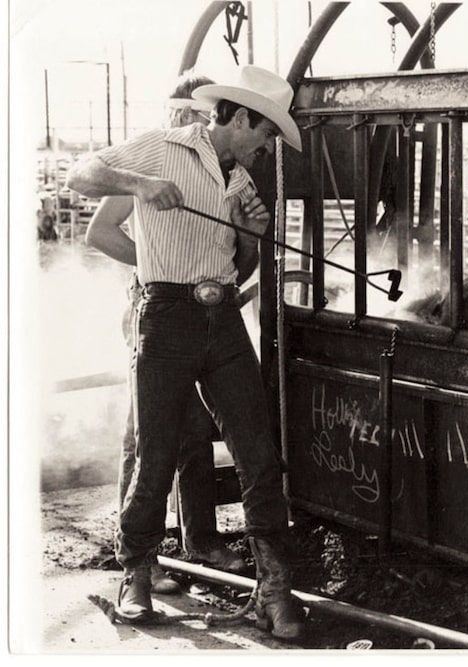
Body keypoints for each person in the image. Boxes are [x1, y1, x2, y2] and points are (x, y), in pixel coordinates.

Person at [67, 65, 305, 639]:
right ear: (243, 117)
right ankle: (136, 575)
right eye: (266, 134)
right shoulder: (162, 148)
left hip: (222, 319)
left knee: (258, 453)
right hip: (165, 318)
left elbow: (241, 267)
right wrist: (138, 186)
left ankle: (275, 589)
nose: (267, 147)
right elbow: (81, 173)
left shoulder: (243, 184)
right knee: (155, 454)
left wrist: (249, 237)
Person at [85, 72, 246, 597]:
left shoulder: (220, 169)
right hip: (151, 309)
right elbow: (100, 232)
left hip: (199, 311)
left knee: (190, 430)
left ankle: (198, 539)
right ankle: (137, 555)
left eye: (202, 118)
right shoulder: (153, 158)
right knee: (150, 435)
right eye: (191, 116)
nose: (196, 126)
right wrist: (156, 265)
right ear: (178, 113)